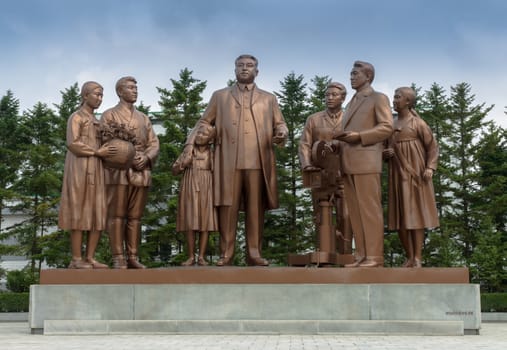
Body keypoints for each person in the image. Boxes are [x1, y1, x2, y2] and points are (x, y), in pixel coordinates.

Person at [185, 54, 288, 266]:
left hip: (258, 160)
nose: (244, 69)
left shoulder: (269, 99)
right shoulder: (220, 96)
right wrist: (192, 144)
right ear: (234, 70)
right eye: (240, 65)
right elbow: (204, 122)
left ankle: (254, 252)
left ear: (256, 71)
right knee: (227, 207)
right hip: (227, 161)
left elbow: (280, 123)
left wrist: (282, 132)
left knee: (255, 209)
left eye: (249, 66)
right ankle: (226, 253)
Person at [336, 61, 393, 268]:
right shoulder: (351, 102)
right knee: (356, 212)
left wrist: (359, 136)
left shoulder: (378, 98)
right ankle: (361, 255)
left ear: (367, 76)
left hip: (367, 162)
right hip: (349, 162)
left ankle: (375, 257)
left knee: (369, 210)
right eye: (350, 74)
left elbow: (387, 127)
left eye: (355, 74)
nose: (351, 77)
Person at [100, 76, 160, 269]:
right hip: (117, 172)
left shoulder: (143, 118)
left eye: (136, 88)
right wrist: (126, 154)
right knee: (116, 215)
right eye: (130, 88)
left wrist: (147, 157)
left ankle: (133, 256)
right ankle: (118, 256)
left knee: (135, 217)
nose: (135, 91)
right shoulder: (109, 115)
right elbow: (105, 143)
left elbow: (154, 143)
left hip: (141, 172)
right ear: (120, 92)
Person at [58, 81, 117, 269]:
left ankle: (90, 257)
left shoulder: (99, 122)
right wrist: (96, 152)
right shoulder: (76, 117)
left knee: (97, 211)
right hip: (80, 168)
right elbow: (73, 143)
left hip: (97, 170)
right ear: (85, 96)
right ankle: (76, 259)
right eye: (96, 94)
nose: (99, 98)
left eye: (102, 95)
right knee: (79, 210)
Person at [383, 87, 439, 268]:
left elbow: (432, 147)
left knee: (417, 215)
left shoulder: (418, 124)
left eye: (398, 97)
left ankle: (417, 257)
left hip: (417, 175)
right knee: (400, 216)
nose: (394, 100)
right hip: (397, 176)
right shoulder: (389, 124)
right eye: (394, 96)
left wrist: (430, 167)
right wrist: (386, 153)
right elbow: (381, 150)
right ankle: (409, 256)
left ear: (408, 101)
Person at [298, 82, 351, 254]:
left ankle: (346, 253)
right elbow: (304, 144)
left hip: (344, 174)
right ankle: (324, 253)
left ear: (343, 98)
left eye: (334, 95)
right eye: (327, 94)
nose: (329, 98)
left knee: (346, 216)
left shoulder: (350, 118)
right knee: (321, 216)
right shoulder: (313, 119)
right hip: (320, 175)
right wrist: (306, 163)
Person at [172, 124, 218, 266]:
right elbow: (174, 170)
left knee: (205, 221)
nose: (199, 136)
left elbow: (219, 171)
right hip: (190, 184)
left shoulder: (213, 153)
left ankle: (202, 256)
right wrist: (183, 164)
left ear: (210, 139)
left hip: (207, 186)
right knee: (191, 220)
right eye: (198, 134)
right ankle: (191, 256)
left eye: (204, 135)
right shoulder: (188, 152)